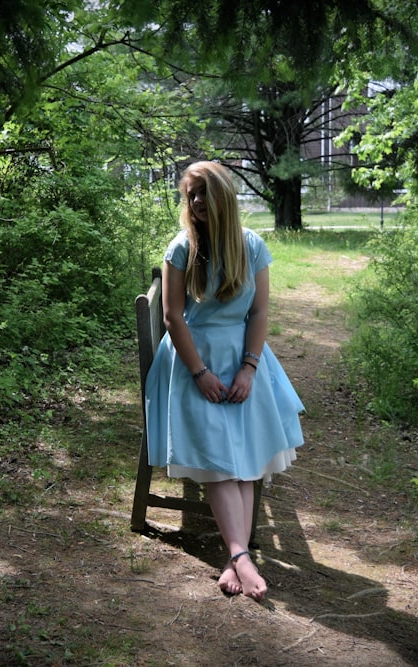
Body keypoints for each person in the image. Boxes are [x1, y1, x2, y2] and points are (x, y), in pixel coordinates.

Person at [144, 160, 305, 601]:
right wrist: (200, 373)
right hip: (190, 358)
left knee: (246, 442)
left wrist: (250, 369)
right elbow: (172, 316)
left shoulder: (252, 247)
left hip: (242, 356)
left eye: (203, 193)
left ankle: (236, 558)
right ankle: (240, 553)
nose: (195, 202)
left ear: (223, 197)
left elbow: (259, 313)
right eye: (190, 194)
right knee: (219, 445)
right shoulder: (182, 247)